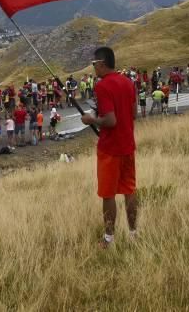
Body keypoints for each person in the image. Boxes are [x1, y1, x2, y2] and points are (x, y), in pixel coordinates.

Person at [81, 47, 138, 249]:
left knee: (108, 194)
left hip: (110, 149)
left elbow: (111, 121)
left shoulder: (103, 86)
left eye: (94, 64)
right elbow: (133, 113)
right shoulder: (128, 82)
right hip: (128, 146)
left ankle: (108, 239)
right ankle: (133, 234)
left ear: (102, 63)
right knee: (130, 191)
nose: (93, 68)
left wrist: (91, 120)